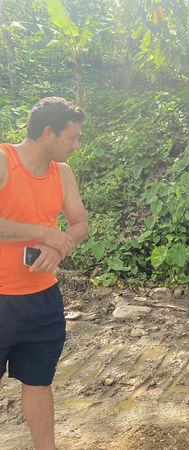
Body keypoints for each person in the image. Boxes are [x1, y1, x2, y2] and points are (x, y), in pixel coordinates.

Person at [0, 97, 89, 450]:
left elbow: (80, 224)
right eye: (73, 136)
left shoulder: (62, 173)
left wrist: (57, 247)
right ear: (49, 132)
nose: (77, 145)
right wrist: (45, 233)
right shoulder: (4, 161)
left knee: (38, 380)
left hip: (41, 299)